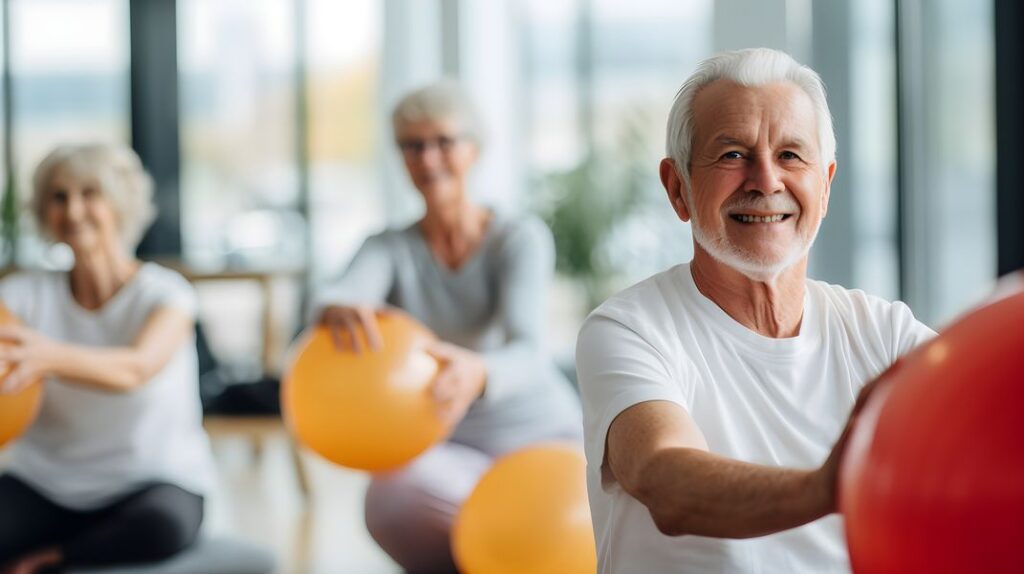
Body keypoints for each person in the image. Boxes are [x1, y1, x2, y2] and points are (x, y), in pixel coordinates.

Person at [575, 48, 935, 573]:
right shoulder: (628, 328)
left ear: (827, 184)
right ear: (678, 189)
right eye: (732, 155)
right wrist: (829, 486)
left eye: (791, 155)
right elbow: (664, 477)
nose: (765, 181)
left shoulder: (885, 333)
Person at [312, 81, 582, 573]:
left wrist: (478, 372)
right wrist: (336, 308)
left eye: (444, 142)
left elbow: (529, 349)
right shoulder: (389, 247)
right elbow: (340, 292)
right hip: (449, 447)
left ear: (474, 149)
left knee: (551, 519)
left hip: (540, 435)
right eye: (413, 146)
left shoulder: (518, 239)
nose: (429, 159)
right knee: (387, 498)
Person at [0, 144, 215, 574]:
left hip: (152, 482)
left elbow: (136, 368)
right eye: (59, 197)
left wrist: (47, 356)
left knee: (163, 526)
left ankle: (60, 557)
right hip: (46, 481)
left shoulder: (166, 294)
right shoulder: (22, 296)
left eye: (90, 193)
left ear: (119, 203)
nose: (74, 210)